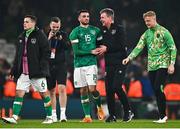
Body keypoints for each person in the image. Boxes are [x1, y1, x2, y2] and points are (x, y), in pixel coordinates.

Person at [122, 11, 177, 123]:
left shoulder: (164, 32)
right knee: (156, 90)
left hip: (163, 64)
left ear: (154, 19)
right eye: (145, 21)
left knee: (158, 87)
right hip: (151, 66)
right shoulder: (146, 34)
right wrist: (129, 58)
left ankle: (163, 116)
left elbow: (173, 48)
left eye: (149, 20)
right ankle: (162, 116)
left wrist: (171, 64)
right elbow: (138, 47)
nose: (147, 23)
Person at [2, 15, 53, 124]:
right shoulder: (21, 37)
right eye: (24, 21)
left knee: (44, 94)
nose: (24, 23)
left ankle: (50, 117)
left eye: (27, 22)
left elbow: (47, 51)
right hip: (24, 73)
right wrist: (14, 70)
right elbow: (18, 56)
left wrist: (43, 65)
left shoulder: (40, 35)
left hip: (37, 72)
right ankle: (14, 117)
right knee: (19, 93)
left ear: (33, 23)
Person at [97, 8, 134, 122]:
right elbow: (98, 44)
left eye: (103, 17)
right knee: (109, 90)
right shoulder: (101, 31)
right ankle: (112, 115)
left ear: (109, 18)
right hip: (108, 64)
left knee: (117, 86)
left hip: (120, 62)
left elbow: (121, 45)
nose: (101, 19)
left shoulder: (119, 29)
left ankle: (128, 111)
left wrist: (107, 48)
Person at [69, 9, 105, 123]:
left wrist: (100, 50)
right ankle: (88, 116)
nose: (86, 18)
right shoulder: (74, 32)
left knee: (92, 89)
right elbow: (76, 52)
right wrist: (91, 52)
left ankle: (99, 107)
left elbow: (100, 45)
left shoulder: (96, 31)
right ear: (79, 18)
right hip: (79, 65)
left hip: (91, 64)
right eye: (84, 16)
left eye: (88, 16)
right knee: (83, 91)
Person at [47, 17, 69, 122]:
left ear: (60, 26)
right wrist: (48, 38)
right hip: (49, 65)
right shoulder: (44, 34)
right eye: (53, 26)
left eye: (57, 27)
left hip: (61, 65)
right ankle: (54, 114)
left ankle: (63, 114)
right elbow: (40, 49)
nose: (55, 29)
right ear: (50, 25)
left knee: (62, 88)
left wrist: (61, 40)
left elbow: (67, 47)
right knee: (51, 91)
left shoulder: (63, 34)